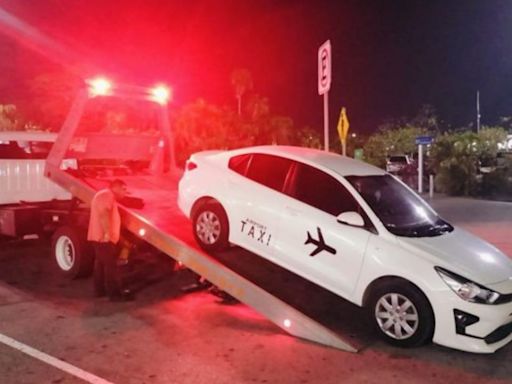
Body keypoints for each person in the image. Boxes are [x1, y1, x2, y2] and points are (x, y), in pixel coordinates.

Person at [87, 179, 133, 301]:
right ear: (116, 187)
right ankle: (115, 295)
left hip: (100, 238)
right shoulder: (107, 195)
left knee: (100, 266)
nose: (125, 192)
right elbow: (104, 213)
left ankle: (99, 291)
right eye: (123, 189)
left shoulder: (105, 195)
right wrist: (107, 233)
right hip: (103, 239)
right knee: (110, 267)